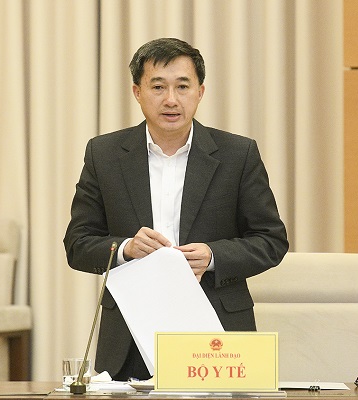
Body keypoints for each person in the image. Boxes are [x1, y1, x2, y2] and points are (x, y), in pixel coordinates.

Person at [64, 37, 288, 381]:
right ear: (137, 92)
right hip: (130, 332)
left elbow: (271, 240)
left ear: (200, 92)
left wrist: (213, 256)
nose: (171, 99)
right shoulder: (104, 154)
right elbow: (78, 244)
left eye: (182, 86)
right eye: (158, 87)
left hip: (217, 332)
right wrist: (126, 248)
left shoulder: (237, 154)